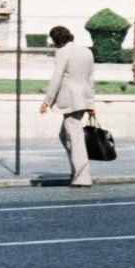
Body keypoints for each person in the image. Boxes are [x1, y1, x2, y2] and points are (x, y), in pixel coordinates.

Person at [39, 24, 94, 187]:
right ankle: (76, 171)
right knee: (66, 135)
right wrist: (91, 103)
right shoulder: (86, 51)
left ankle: (82, 177)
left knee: (74, 137)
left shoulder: (62, 52)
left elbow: (57, 78)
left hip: (69, 99)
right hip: (83, 99)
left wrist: (46, 101)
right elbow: (90, 79)